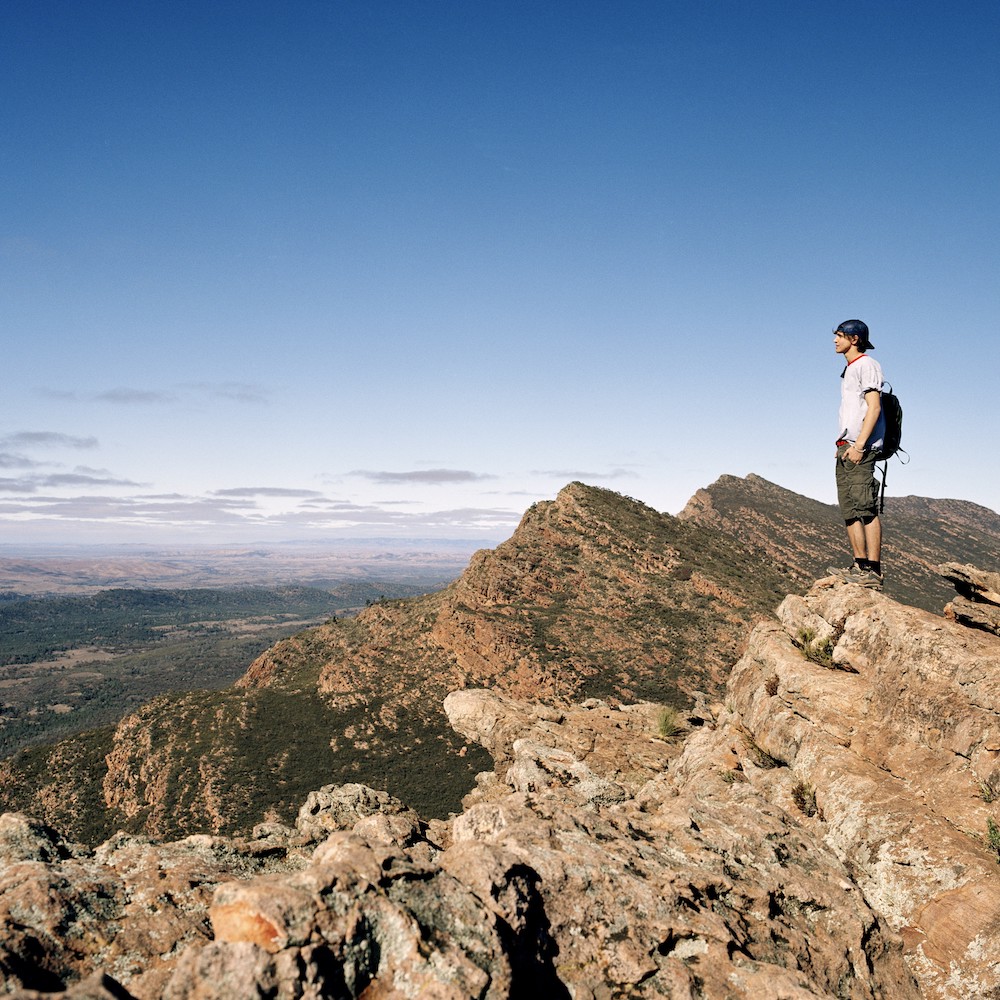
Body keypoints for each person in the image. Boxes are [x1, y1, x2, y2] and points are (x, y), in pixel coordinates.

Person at [828, 319, 886, 590]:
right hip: (845, 447)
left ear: (854, 339)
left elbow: (873, 408)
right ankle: (859, 565)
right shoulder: (850, 369)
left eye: (840, 335)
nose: (835, 340)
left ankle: (873, 571)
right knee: (850, 511)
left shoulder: (867, 365)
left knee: (866, 509)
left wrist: (860, 446)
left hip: (858, 448)